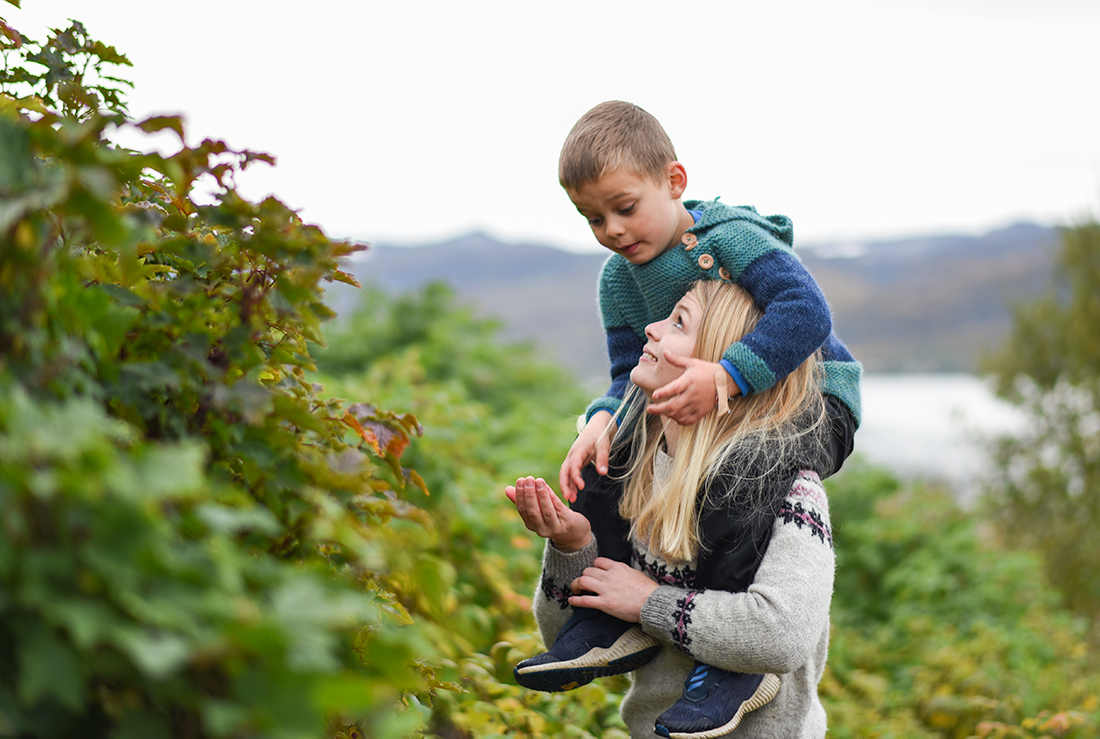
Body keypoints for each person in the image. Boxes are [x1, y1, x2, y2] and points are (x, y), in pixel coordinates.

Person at [512, 99, 860, 730]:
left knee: (742, 469)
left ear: (674, 182)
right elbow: (628, 377)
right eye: (592, 218)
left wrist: (727, 376)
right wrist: (600, 420)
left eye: (624, 207)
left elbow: (807, 312)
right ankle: (602, 619)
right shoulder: (619, 280)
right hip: (701, 403)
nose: (612, 229)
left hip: (810, 400)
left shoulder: (728, 240)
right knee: (610, 449)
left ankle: (735, 669)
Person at [507, 281, 836, 738]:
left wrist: (648, 603)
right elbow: (561, 636)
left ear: (721, 360)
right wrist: (572, 545)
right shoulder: (630, 468)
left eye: (678, 321)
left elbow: (781, 636)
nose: (652, 328)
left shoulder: (786, 488)